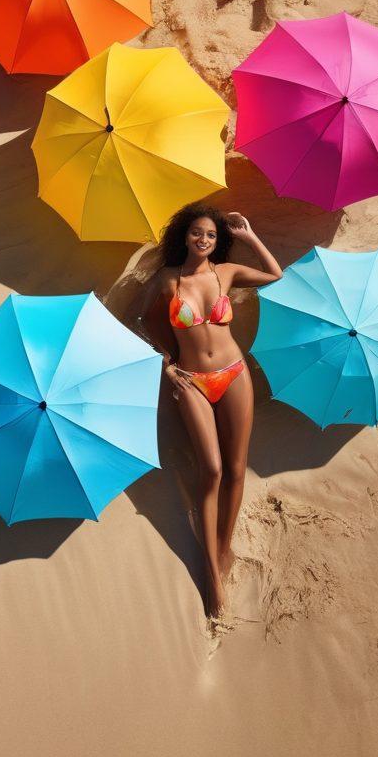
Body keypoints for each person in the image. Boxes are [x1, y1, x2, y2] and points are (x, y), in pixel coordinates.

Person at [133, 206, 282, 618]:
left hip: (234, 374)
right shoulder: (167, 280)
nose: (204, 240)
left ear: (218, 242)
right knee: (211, 469)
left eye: (211, 236)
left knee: (236, 468)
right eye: (198, 234)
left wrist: (250, 237)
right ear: (184, 236)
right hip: (192, 379)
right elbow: (143, 318)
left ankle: (221, 550)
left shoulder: (227, 273)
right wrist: (166, 363)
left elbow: (274, 276)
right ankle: (212, 572)